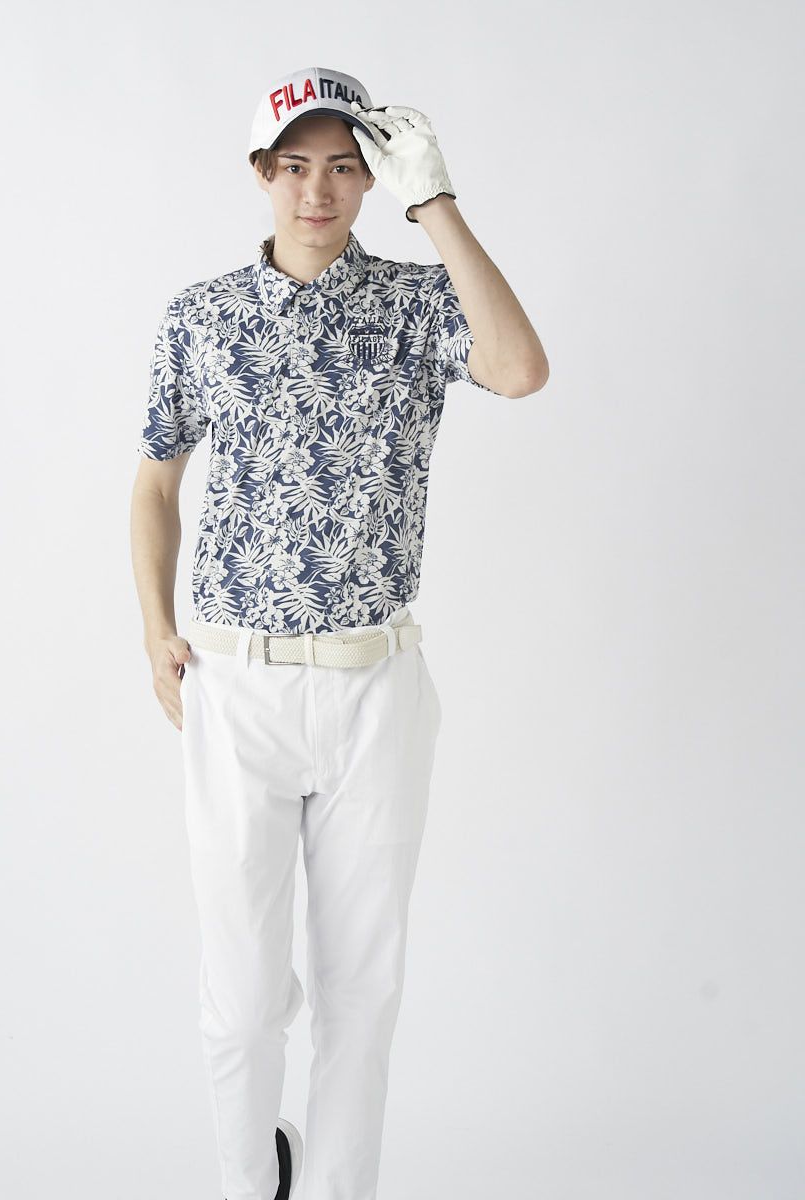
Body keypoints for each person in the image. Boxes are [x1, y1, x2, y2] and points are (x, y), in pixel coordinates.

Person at [131, 65, 548, 1200]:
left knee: (362, 992)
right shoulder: (202, 315)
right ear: (260, 173)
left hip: (375, 689)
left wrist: (435, 202)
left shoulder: (418, 304)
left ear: (372, 180)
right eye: (295, 166)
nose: (317, 190)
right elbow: (156, 483)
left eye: (344, 167)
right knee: (239, 1001)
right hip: (237, 684)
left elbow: (519, 370)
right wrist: (156, 628)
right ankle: (248, 1180)